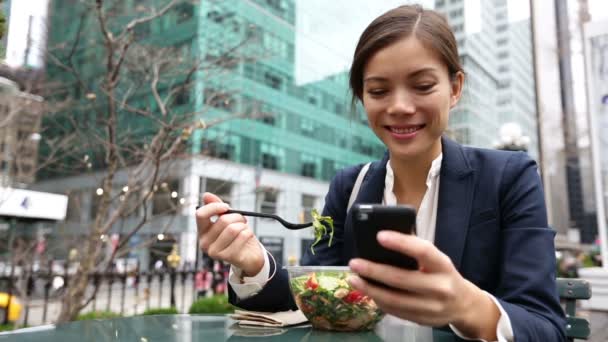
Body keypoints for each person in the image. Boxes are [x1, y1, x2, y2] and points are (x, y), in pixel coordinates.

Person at [195, 4, 565, 341]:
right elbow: (316, 296)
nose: (400, 106)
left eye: (422, 86)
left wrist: (467, 306)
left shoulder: (509, 177)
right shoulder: (348, 187)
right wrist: (254, 263)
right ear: (362, 96)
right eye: (378, 90)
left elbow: (546, 327)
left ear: (455, 88)